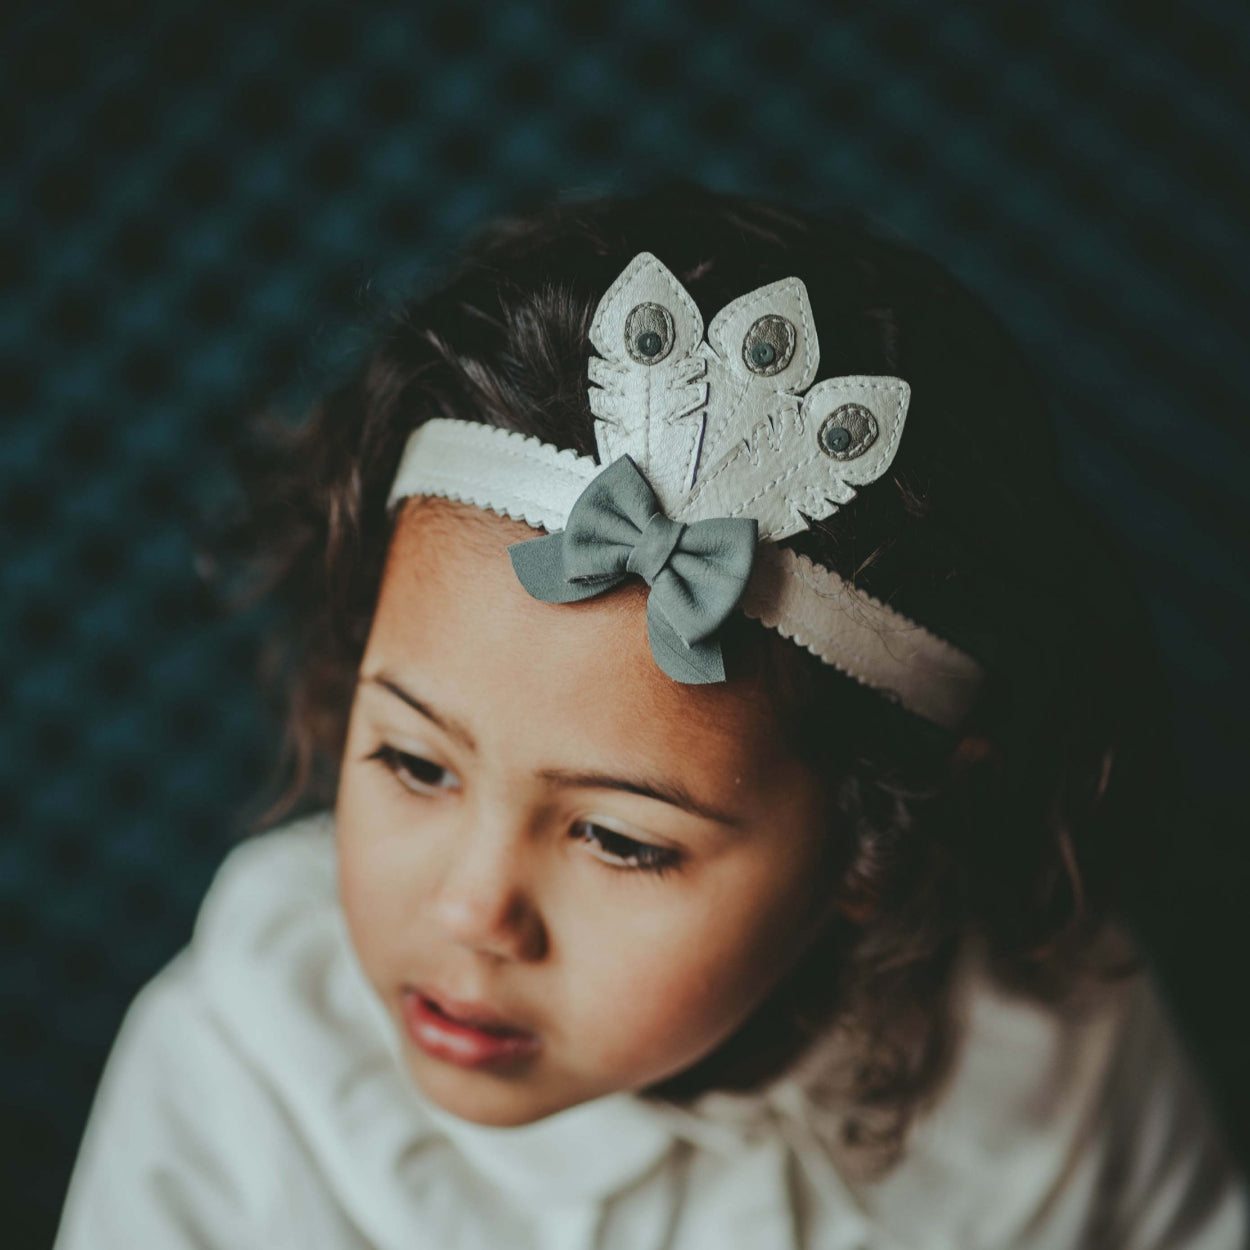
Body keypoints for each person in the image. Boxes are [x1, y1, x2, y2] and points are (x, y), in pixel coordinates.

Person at [53, 187, 1247, 1249]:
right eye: (414, 762)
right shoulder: (243, 1072)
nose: (472, 911)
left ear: (884, 834)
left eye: (621, 838)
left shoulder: (1053, 1058)